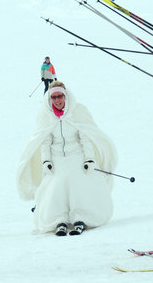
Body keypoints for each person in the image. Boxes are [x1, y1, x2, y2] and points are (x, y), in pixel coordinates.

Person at [16, 81, 118, 236]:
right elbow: (44, 141)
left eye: (60, 96)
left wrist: (89, 159)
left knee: (79, 185)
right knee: (55, 188)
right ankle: (59, 220)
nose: (57, 100)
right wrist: (46, 161)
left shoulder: (78, 111)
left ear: (66, 95)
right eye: (54, 97)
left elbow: (85, 137)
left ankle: (81, 218)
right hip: (57, 158)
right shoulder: (45, 115)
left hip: (76, 154)